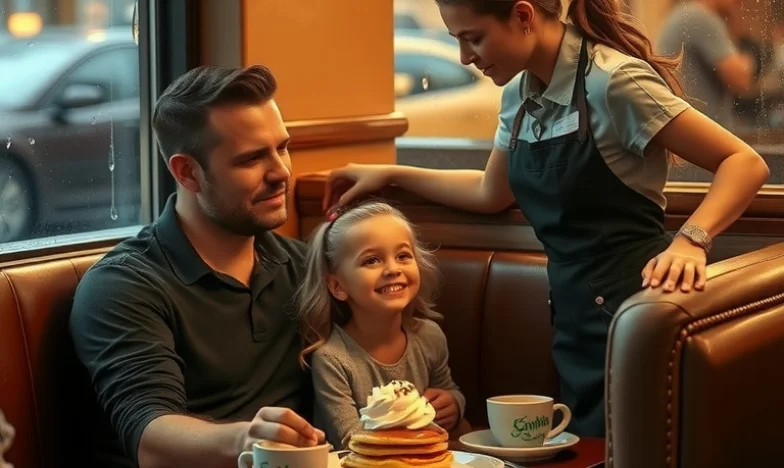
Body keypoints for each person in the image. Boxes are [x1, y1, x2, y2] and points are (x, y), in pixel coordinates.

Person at [324, 0, 770, 437]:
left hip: (640, 314)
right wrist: (390, 174)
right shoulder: (519, 93)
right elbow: (490, 192)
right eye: (457, 41)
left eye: (473, 38)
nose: (465, 57)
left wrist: (691, 240)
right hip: (573, 322)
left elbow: (744, 163)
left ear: (523, 16)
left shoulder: (614, 80)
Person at [70, 65, 324, 468]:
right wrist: (247, 437)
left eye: (282, 147)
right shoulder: (123, 285)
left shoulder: (304, 266)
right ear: (187, 172)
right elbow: (150, 435)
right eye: (252, 159)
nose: (281, 172)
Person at [294, 201, 465, 449]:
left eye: (403, 256)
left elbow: (447, 390)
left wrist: (454, 403)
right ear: (337, 286)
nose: (393, 269)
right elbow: (351, 439)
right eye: (372, 260)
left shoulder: (429, 335)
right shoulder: (332, 358)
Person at [658, 0, 756, 129]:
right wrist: (748, 61)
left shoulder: (682, 14)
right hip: (702, 130)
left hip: (686, 127)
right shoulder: (701, 18)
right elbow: (741, 81)